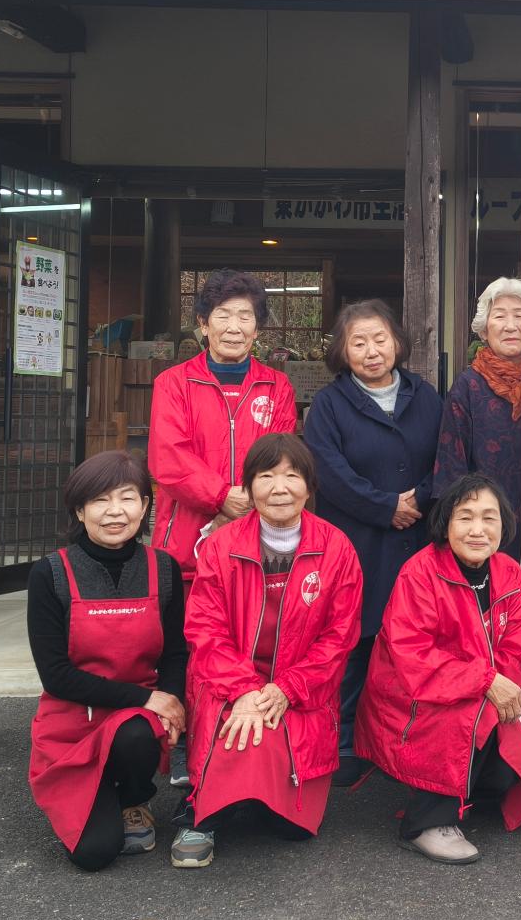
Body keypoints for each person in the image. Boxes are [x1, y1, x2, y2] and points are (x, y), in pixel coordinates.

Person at [169, 434, 361, 869]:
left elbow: (340, 637)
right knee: (241, 733)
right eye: (266, 475)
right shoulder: (221, 546)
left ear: (309, 487)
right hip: (231, 685)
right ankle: (202, 815)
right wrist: (244, 692)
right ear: (248, 486)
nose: (280, 487)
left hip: (301, 689)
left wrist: (286, 689)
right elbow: (205, 629)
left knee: (292, 828)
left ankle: (258, 798)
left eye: (293, 475)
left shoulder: (337, 549)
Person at [147, 268, 297, 783]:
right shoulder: (174, 382)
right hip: (185, 538)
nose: (234, 327)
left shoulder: (275, 385)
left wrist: (250, 501)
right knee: (189, 643)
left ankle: (243, 741)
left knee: (245, 638)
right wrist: (220, 496)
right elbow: (168, 457)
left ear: (258, 330)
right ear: (203, 325)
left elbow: (281, 456)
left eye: (246, 317)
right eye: (223, 316)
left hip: (255, 539)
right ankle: (185, 745)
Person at [355, 473, 521, 865]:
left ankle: (463, 795)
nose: (477, 530)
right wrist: (487, 681)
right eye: (465, 517)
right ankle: (425, 823)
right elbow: (413, 655)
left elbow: (520, 640)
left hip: (474, 690)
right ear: (445, 524)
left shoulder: (509, 573)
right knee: (459, 719)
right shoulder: (420, 573)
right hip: (411, 696)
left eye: (489, 518)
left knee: (503, 765)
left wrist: (498, 684)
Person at [301, 299, 442, 785]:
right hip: (358, 539)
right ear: (343, 350)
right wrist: (386, 506)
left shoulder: (425, 395)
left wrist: (417, 501)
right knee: (357, 636)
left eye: (379, 339)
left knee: (415, 637)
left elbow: (444, 458)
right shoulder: (330, 404)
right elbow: (327, 471)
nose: (371, 351)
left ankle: (410, 738)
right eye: (358, 342)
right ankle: (346, 741)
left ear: (397, 342)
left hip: (418, 535)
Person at [26, 451, 187, 871]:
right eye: (99, 500)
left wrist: (170, 700)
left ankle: (133, 798)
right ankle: (100, 793)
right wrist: (146, 698)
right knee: (95, 854)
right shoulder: (51, 574)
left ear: (145, 506)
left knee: (134, 734)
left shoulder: (164, 568)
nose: (115, 512)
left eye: (127, 498)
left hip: (135, 727)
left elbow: (175, 653)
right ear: (80, 510)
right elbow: (56, 675)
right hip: (71, 725)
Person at [432, 278, 521, 558]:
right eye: (499, 316)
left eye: (519, 316)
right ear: (485, 330)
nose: (510, 326)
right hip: (485, 524)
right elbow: (452, 463)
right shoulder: (469, 386)